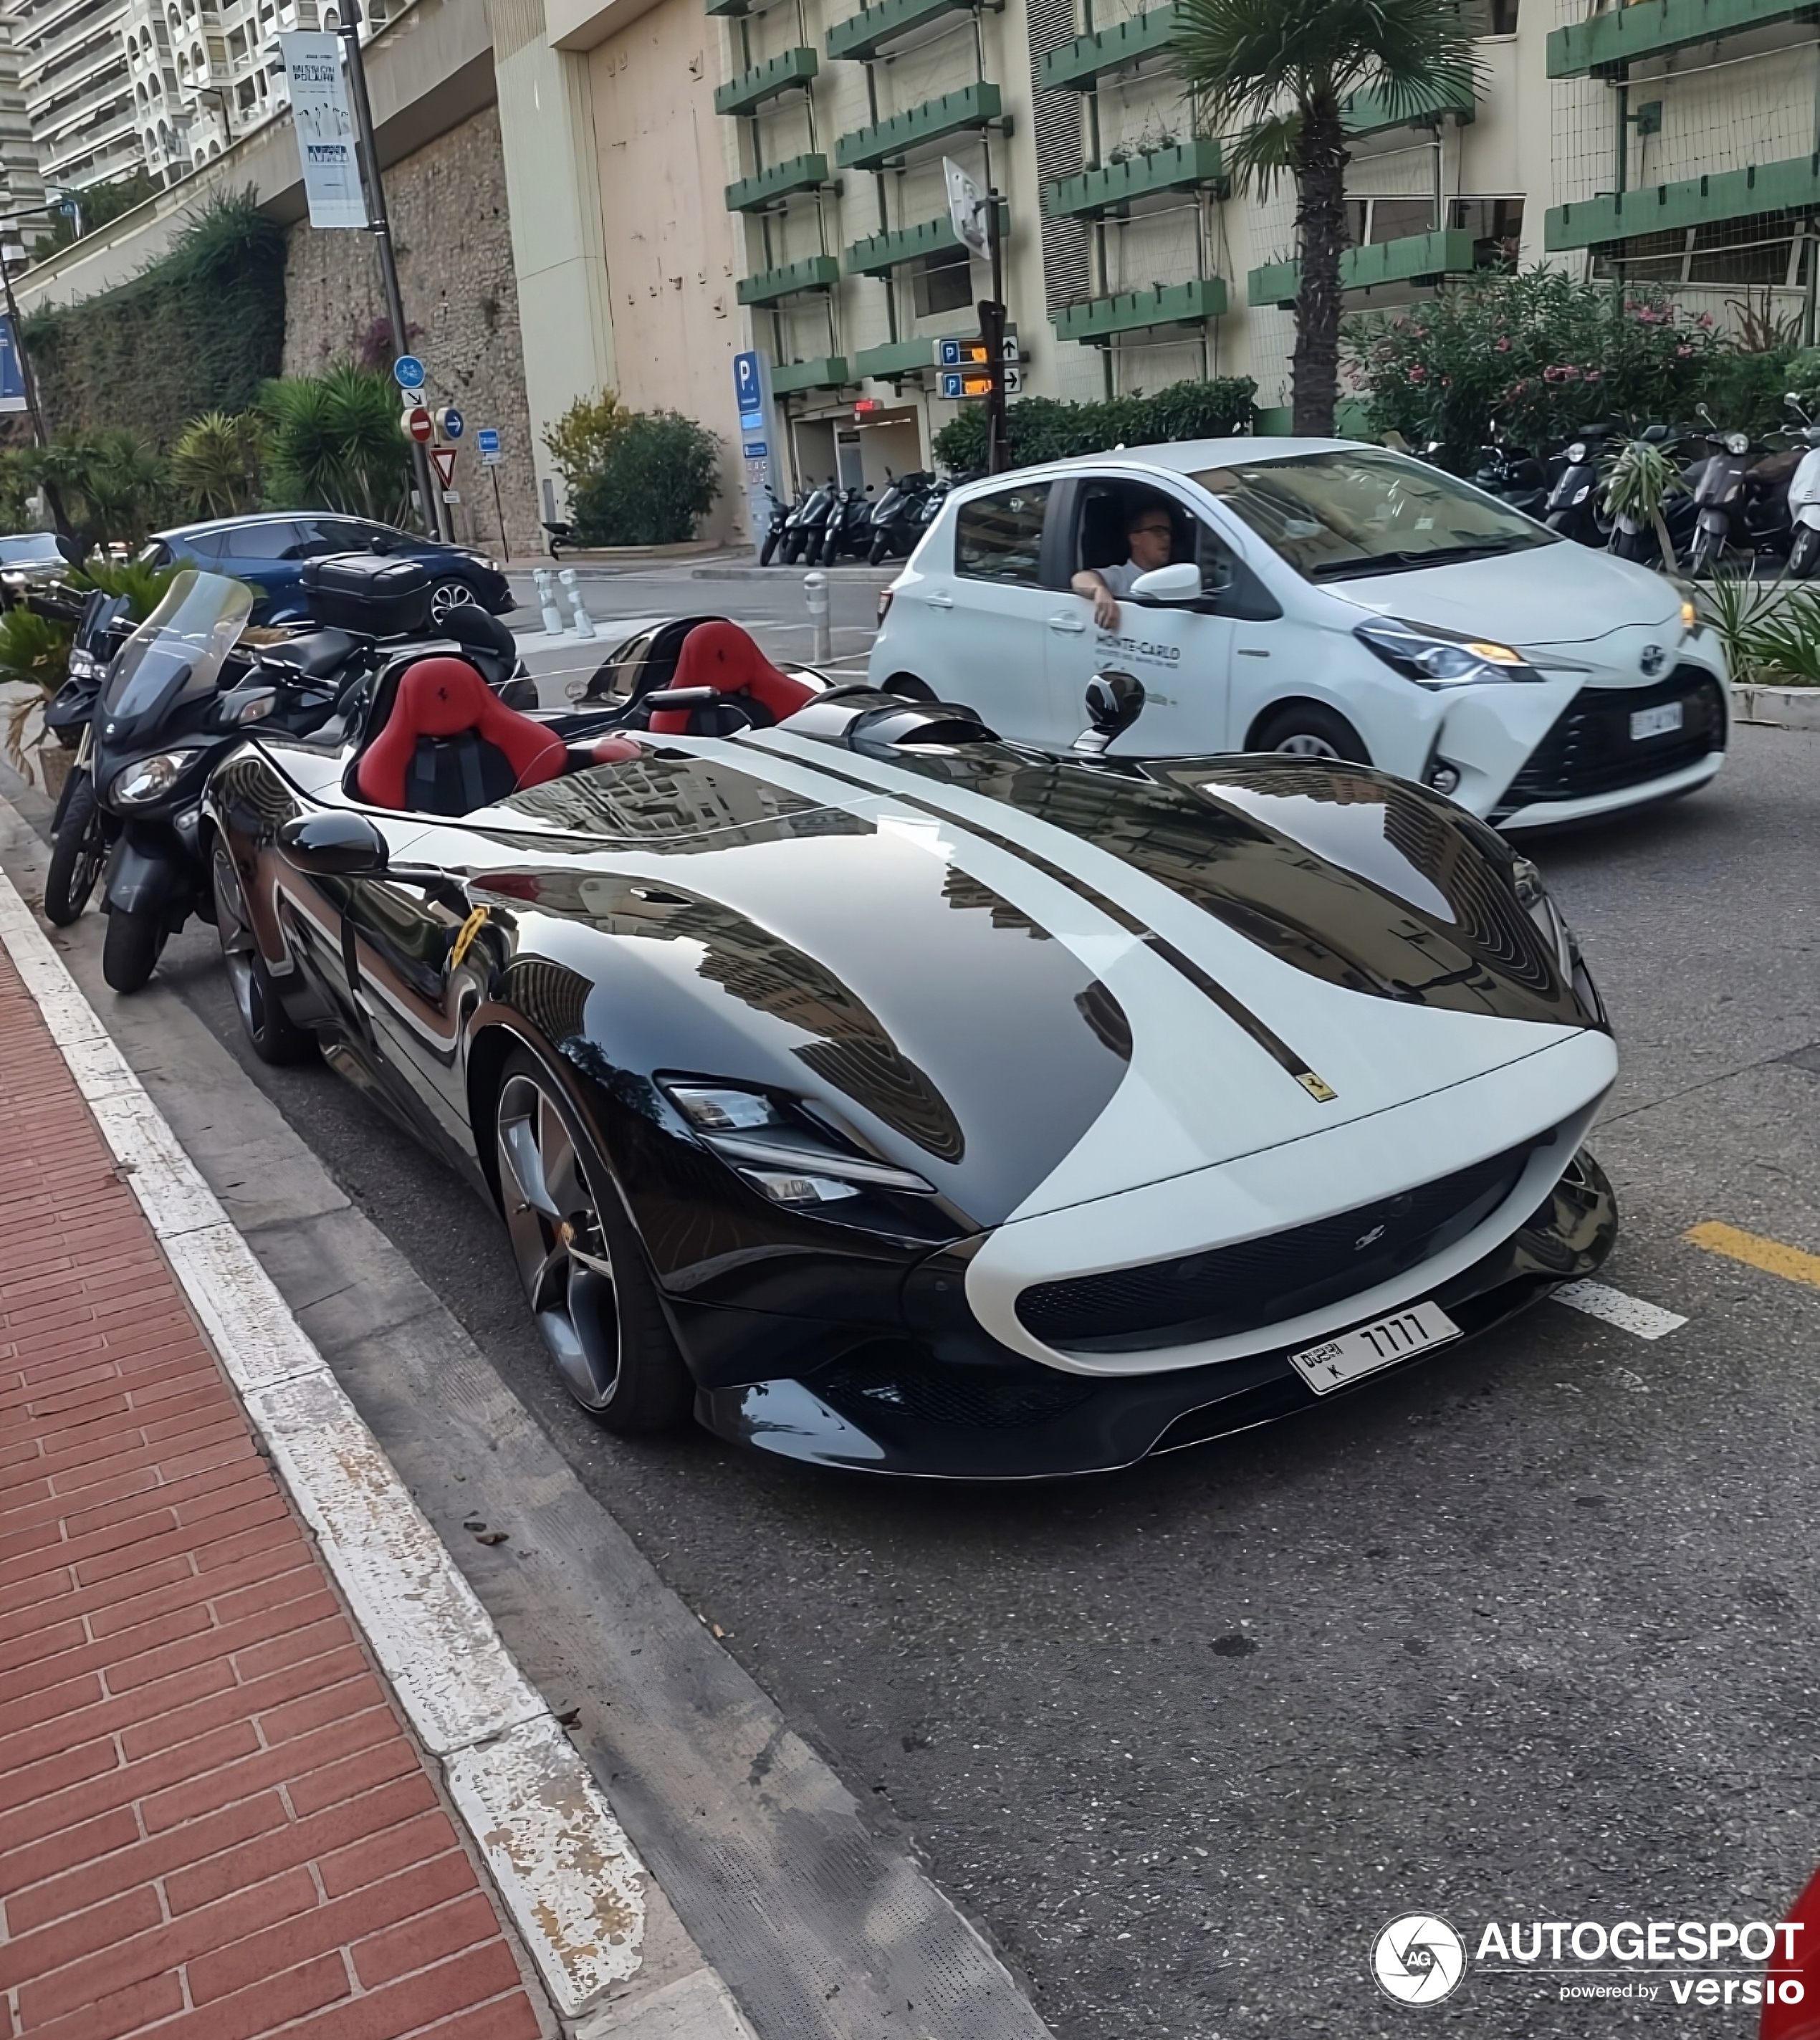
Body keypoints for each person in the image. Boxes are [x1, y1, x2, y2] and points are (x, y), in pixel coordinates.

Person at [1071, 501, 1177, 630]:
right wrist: (1099, 590)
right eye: (1157, 531)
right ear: (1135, 539)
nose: (1167, 537)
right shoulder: (1120, 576)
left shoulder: (1176, 578)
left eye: (1168, 531)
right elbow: (1081, 578)